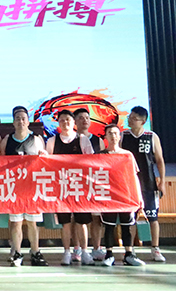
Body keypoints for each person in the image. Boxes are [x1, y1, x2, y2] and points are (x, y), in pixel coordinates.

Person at [0, 106, 48, 267]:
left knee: (32, 222)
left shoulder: (36, 139)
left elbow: (45, 161)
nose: (20, 121)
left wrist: (44, 156)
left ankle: (35, 252)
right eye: (17, 118)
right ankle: (17, 253)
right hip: (14, 188)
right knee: (16, 222)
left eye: (23, 118)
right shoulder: (7, 140)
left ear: (28, 121)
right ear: (13, 122)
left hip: (32, 187)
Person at [45, 109, 95, 266]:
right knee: (65, 223)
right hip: (61, 187)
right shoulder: (52, 141)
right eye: (62, 120)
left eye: (68, 119)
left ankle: (84, 251)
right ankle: (66, 252)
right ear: (58, 123)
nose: (65, 122)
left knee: (82, 222)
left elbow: (92, 162)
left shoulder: (83, 140)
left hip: (80, 187)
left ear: (73, 122)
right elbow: (47, 163)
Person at [122, 105, 166, 262]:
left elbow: (159, 160)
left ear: (143, 121)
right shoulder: (123, 136)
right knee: (131, 218)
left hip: (148, 183)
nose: (130, 120)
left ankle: (155, 249)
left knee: (153, 217)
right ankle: (130, 250)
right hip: (129, 184)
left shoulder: (151, 136)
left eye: (134, 118)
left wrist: (162, 181)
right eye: (130, 117)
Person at [100, 124, 145, 266]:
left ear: (119, 136)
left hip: (125, 195)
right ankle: (109, 255)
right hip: (108, 196)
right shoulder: (100, 155)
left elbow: (134, 177)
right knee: (109, 226)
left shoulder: (127, 155)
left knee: (127, 225)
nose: (113, 136)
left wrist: (139, 198)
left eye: (115, 133)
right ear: (105, 136)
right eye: (110, 133)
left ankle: (129, 254)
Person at [74, 108, 106, 262]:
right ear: (75, 121)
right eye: (80, 118)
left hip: (94, 183)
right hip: (76, 183)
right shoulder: (72, 139)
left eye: (87, 117)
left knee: (96, 218)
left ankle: (97, 248)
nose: (84, 120)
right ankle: (77, 248)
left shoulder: (98, 140)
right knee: (77, 218)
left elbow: (102, 162)